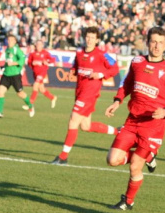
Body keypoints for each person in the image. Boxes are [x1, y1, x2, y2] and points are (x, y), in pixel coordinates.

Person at [105, 26, 165, 210]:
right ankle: (149, 156)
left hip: (153, 126)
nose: (157, 46)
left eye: (160, 43)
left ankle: (128, 202)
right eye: (154, 41)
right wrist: (117, 100)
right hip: (132, 121)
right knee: (112, 160)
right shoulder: (137, 62)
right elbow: (127, 84)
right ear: (148, 42)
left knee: (134, 167)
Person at [51, 27, 120, 165]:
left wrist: (101, 74)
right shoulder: (79, 53)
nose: (89, 40)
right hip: (79, 92)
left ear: (97, 40)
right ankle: (118, 131)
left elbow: (115, 68)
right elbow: (75, 67)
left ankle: (63, 157)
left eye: (92, 38)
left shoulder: (101, 54)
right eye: (87, 37)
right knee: (85, 126)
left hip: (90, 94)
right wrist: (72, 71)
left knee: (73, 121)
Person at [0, 34, 34, 118]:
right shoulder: (7, 49)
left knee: (20, 94)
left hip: (15, 75)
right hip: (6, 74)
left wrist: (13, 63)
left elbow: (22, 59)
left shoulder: (16, 50)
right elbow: (8, 60)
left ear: (15, 41)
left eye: (11, 40)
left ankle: (30, 106)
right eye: (8, 40)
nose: (9, 41)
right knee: (1, 92)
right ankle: (0, 112)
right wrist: (4, 66)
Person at [26, 40, 57, 109]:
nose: (39, 46)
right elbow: (29, 62)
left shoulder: (45, 53)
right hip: (35, 73)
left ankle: (30, 104)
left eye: (40, 44)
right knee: (42, 89)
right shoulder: (32, 54)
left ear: (42, 45)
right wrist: (32, 63)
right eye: (37, 44)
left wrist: (47, 61)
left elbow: (53, 59)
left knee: (35, 85)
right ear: (35, 46)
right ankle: (53, 98)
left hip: (42, 73)